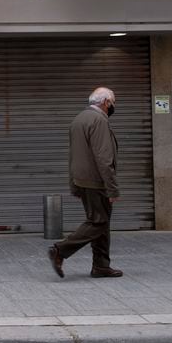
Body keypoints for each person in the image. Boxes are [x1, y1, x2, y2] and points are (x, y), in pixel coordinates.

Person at [48, 87, 122, 278]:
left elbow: (73, 155)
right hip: (96, 181)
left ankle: (101, 265)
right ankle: (60, 250)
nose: (113, 106)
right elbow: (104, 158)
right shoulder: (98, 121)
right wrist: (112, 189)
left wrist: (73, 183)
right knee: (98, 222)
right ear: (106, 102)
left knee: (101, 222)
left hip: (83, 179)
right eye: (113, 102)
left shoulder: (79, 119)